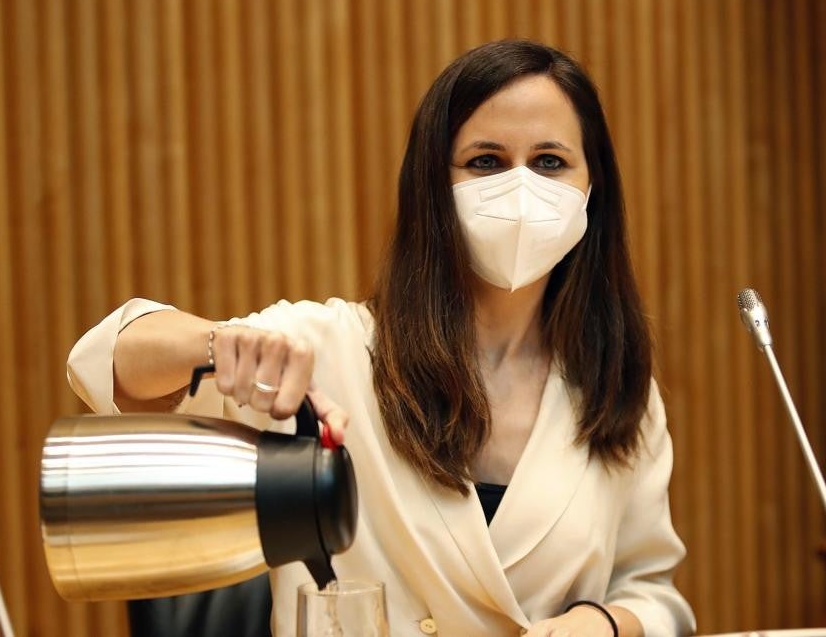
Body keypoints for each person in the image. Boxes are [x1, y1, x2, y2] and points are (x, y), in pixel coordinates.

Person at [68, 39, 696, 636]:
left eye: (550, 162)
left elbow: (652, 591)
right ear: (432, 187)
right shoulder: (329, 352)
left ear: (592, 189)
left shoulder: (617, 387)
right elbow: (108, 361)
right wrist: (215, 345)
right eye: (486, 161)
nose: (521, 187)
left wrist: (607, 621)